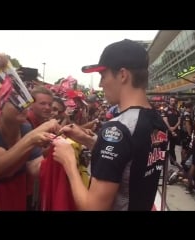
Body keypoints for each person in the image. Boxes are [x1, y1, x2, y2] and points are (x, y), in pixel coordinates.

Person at [52, 39, 168, 211]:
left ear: (122, 75)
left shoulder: (117, 129)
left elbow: (93, 207)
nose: (100, 84)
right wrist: (87, 140)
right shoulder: (158, 120)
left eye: (103, 76)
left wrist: (68, 161)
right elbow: (132, 157)